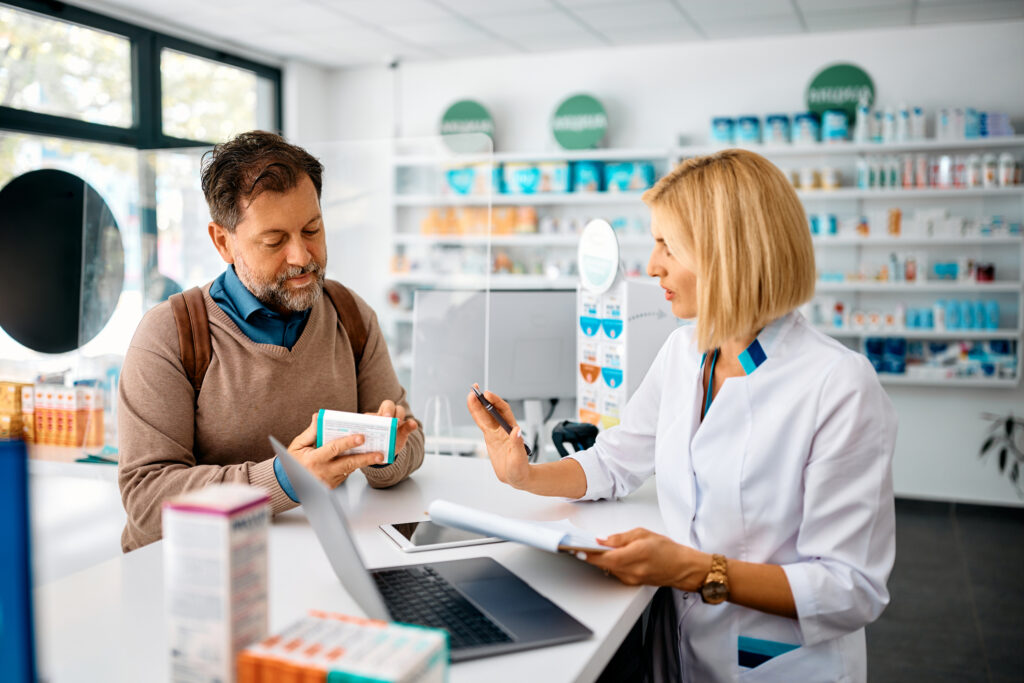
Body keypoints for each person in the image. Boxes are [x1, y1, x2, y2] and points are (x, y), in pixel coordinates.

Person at [467, 149, 896, 682]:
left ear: (729, 253)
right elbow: (614, 463)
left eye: (668, 244)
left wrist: (693, 571)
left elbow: (851, 587)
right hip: (679, 651)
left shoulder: (838, 384)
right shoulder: (683, 351)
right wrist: (524, 473)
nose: (651, 265)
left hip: (781, 664)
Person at [118, 131, 422, 552]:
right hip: (198, 577)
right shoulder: (169, 334)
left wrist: (385, 452)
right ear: (223, 241)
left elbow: (412, 441)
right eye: (275, 241)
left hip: (314, 566)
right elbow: (146, 500)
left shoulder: (350, 315)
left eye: (312, 229)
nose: (302, 256)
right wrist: (284, 480)